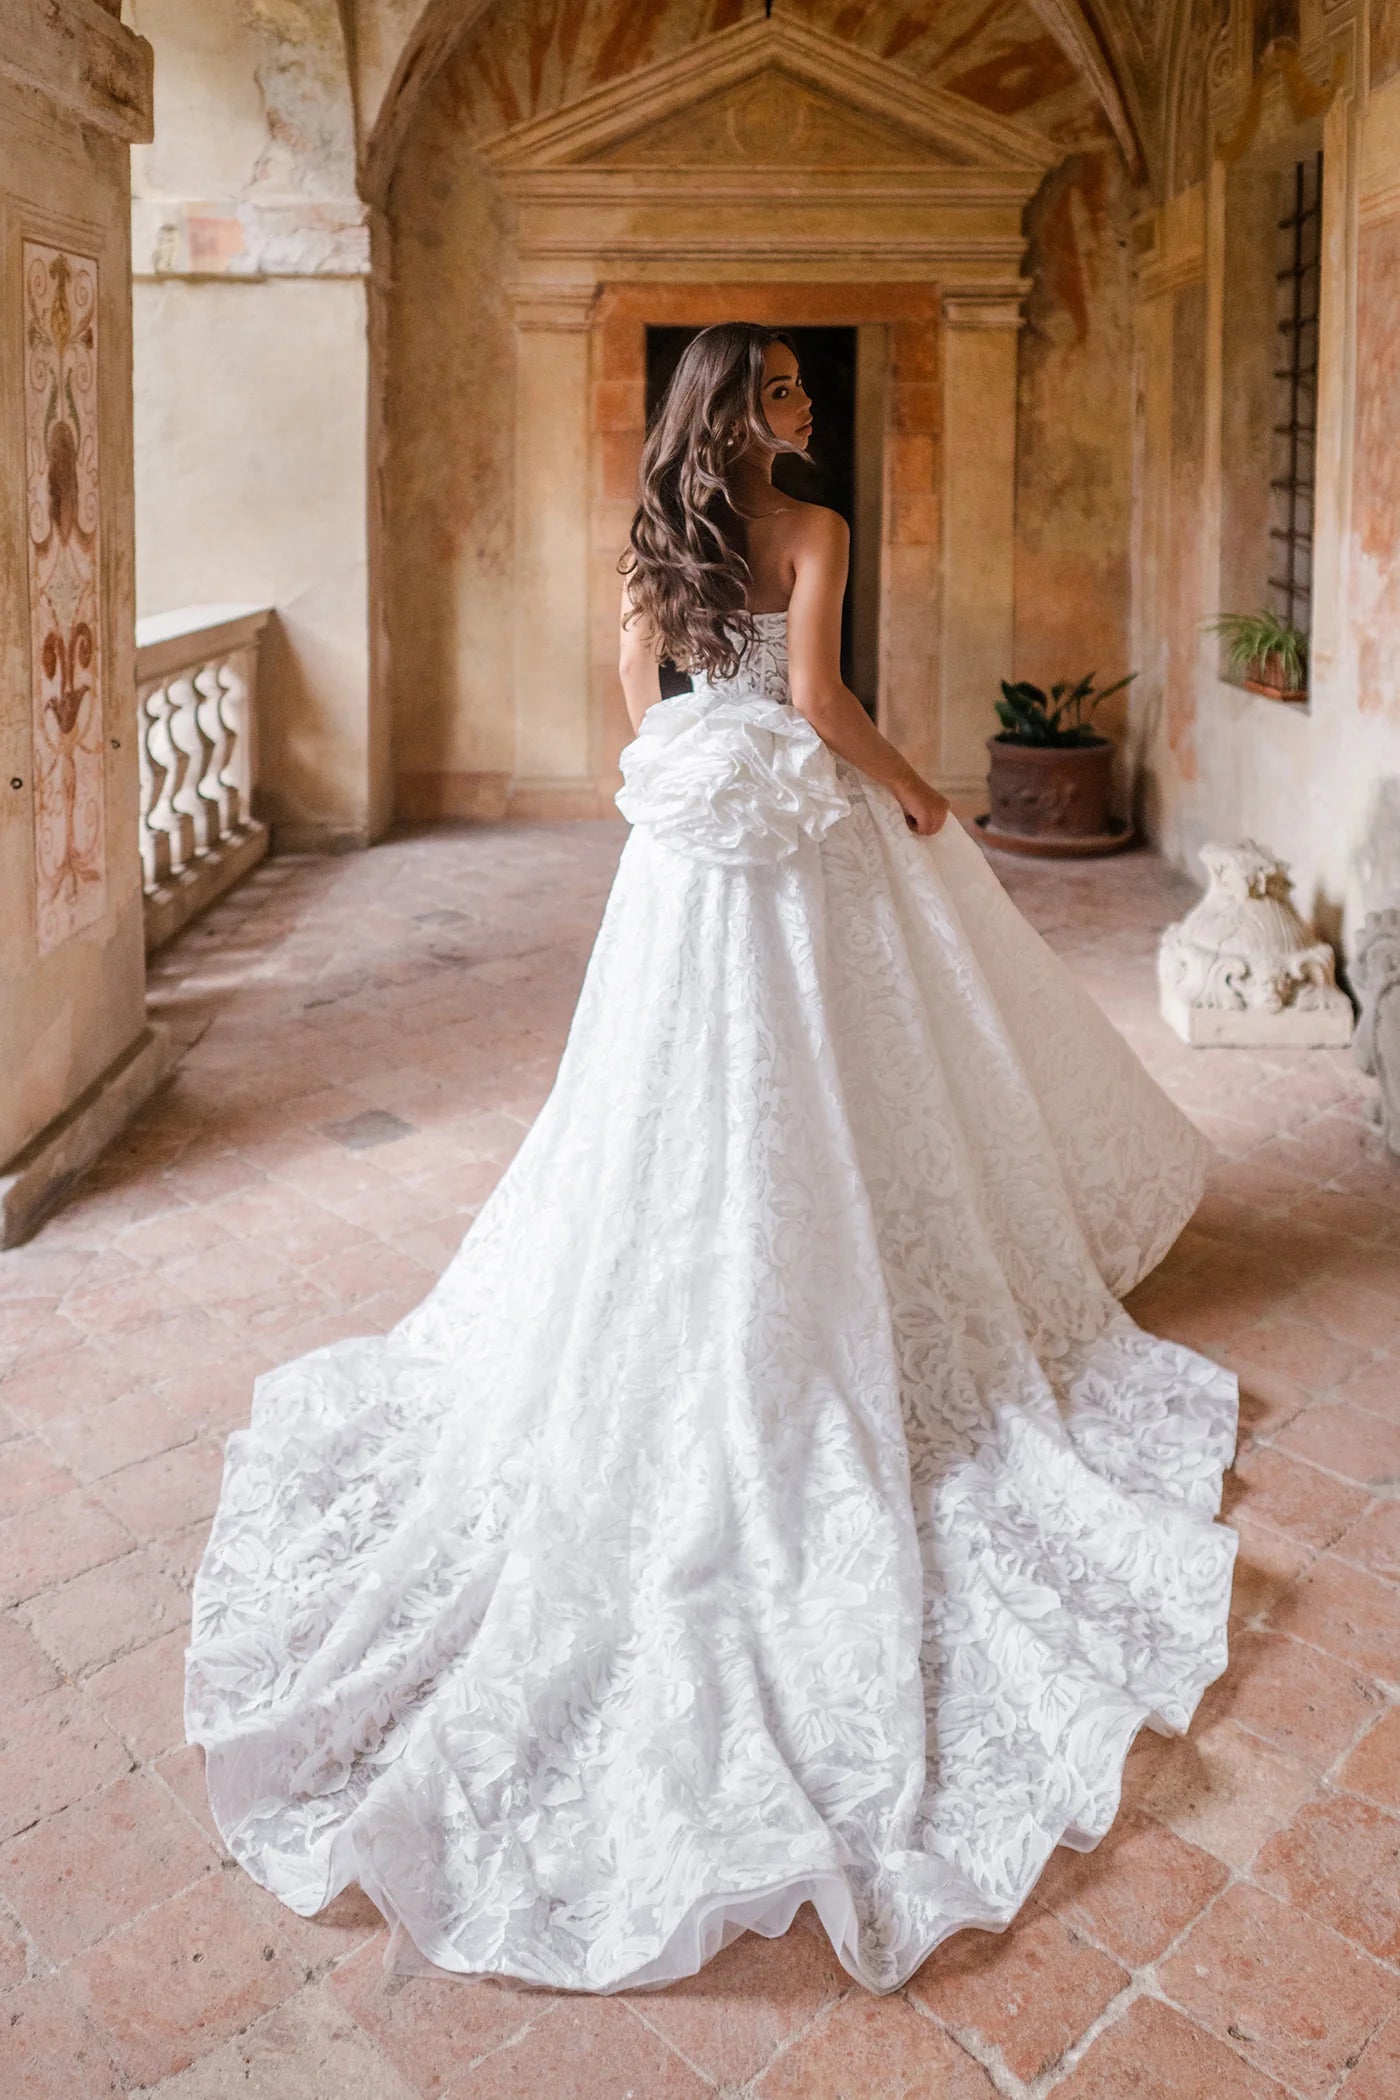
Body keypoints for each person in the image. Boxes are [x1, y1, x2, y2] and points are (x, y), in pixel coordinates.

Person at [187, 323, 1239, 1998]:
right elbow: (816, 702)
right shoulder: (812, 529)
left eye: (803, 396)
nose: (804, 412)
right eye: (787, 396)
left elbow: (642, 712)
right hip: (792, 828)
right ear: (744, 411)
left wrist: (704, 782)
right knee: (822, 1076)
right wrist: (915, 797)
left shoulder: (655, 538)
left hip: (685, 855)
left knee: (664, 1104)